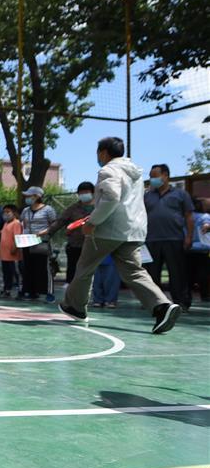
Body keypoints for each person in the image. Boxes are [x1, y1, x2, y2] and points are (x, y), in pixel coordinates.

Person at [59, 137, 181, 334]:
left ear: (104, 152)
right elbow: (122, 202)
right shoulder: (135, 173)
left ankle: (76, 307)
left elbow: (112, 197)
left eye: (98, 152)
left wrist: (92, 222)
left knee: (85, 267)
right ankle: (162, 306)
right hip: (134, 230)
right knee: (134, 271)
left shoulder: (108, 170)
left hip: (108, 231)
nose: (98, 157)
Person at [145, 163, 194, 309]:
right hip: (151, 240)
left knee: (177, 273)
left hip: (174, 239)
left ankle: (181, 302)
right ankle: (155, 303)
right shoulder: (147, 196)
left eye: (155, 176)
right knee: (152, 274)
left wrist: (189, 237)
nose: (152, 179)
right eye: (150, 176)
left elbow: (189, 216)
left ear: (165, 176)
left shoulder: (180, 194)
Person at [42, 181, 94, 284]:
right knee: (72, 267)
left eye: (86, 192)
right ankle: (69, 287)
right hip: (75, 244)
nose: (84, 194)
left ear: (93, 193)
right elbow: (60, 222)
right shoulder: (72, 209)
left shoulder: (99, 208)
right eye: (81, 192)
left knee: (90, 269)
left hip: (94, 245)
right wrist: (48, 233)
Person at [19, 186, 57, 301]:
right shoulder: (25, 210)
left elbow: (54, 224)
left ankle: (48, 293)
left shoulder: (48, 209)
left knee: (43, 267)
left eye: (29, 196)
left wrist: (43, 233)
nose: (27, 198)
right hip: (27, 241)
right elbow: (22, 223)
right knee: (28, 267)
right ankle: (31, 291)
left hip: (42, 242)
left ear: (37, 196)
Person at [186, 198, 210, 304]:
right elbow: (206, 225)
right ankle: (205, 295)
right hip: (203, 249)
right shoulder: (204, 216)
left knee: (189, 274)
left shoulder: (186, 217)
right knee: (204, 273)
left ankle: (187, 296)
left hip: (188, 248)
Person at [0, 204, 23, 297]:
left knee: (16, 273)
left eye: (8, 212)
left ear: (14, 213)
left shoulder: (16, 223)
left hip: (13, 254)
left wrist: (15, 248)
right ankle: (7, 290)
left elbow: (18, 237)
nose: (5, 214)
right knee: (6, 273)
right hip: (4, 254)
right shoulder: (6, 223)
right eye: (4, 212)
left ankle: (20, 290)